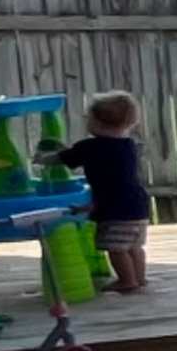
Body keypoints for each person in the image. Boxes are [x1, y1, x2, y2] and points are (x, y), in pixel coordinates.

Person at [45, 90, 154, 293]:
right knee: (134, 246)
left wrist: (44, 158)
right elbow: (78, 155)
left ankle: (127, 281)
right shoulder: (128, 145)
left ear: (96, 123)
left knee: (116, 249)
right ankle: (139, 278)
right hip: (138, 206)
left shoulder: (90, 147)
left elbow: (64, 159)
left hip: (116, 210)